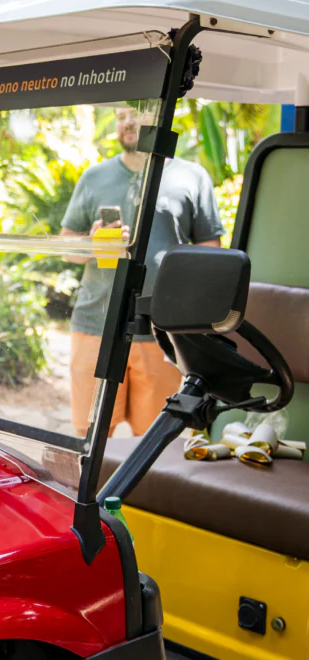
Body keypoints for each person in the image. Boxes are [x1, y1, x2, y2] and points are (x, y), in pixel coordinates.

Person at [61, 106, 224, 436]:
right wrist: (92, 243)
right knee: (90, 439)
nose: (128, 122)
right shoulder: (94, 177)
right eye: (121, 116)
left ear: (161, 117)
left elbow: (211, 253)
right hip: (96, 325)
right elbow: (67, 249)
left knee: (156, 443)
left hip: (162, 333)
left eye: (138, 113)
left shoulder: (192, 177)